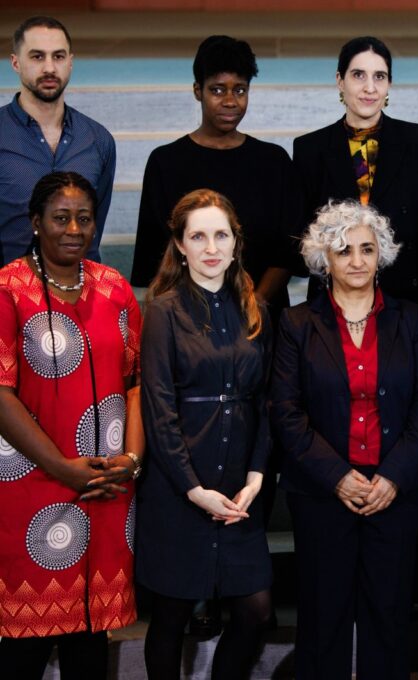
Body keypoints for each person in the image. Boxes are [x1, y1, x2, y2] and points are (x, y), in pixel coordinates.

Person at [271, 200, 418, 679]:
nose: (357, 261)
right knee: (324, 617)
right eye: (344, 251)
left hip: (394, 492)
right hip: (323, 493)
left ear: (381, 254)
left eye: (367, 249)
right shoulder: (297, 325)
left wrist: (395, 476)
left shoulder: (411, 319)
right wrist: (339, 477)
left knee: (390, 614)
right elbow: (286, 411)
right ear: (326, 259)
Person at [0, 172, 142, 679]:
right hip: (31, 485)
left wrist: (130, 460)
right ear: (35, 223)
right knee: (23, 644)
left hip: (105, 485)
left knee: (91, 637)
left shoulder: (115, 288)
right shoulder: (7, 288)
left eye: (84, 218)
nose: (74, 229)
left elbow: (135, 382)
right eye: (60, 218)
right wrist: (62, 467)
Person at [137, 189, 273, 680]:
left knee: (256, 610)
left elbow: (266, 402)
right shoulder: (163, 312)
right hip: (180, 490)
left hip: (239, 488)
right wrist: (194, 489)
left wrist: (257, 476)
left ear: (236, 243)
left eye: (221, 235)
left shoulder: (256, 308)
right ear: (180, 244)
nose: (211, 246)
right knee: (172, 615)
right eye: (198, 236)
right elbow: (158, 408)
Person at [129, 35, 302, 315]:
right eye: (218, 90)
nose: (231, 101)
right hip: (190, 319)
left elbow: (287, 252)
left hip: (263, 317)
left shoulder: (273, 161)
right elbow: (156, 257)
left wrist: (254, 304)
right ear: (198, 90)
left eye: (240, 90)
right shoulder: (166, 162)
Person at [293, 36, 418, 305]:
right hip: (332, 300)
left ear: (389, 84)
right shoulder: (310, 149)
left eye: (379, 76)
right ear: (340, 80)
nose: (370, 88)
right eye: (358, 75)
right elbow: (307, 237)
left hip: (403, 299)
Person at [1, 16, 116, 265]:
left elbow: (93, 233)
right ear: (15, 62)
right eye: (37, 57)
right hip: (7, 294)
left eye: (59, 56)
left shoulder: (98, 140)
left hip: (79, 293)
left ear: (70, 63)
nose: (50, 68)